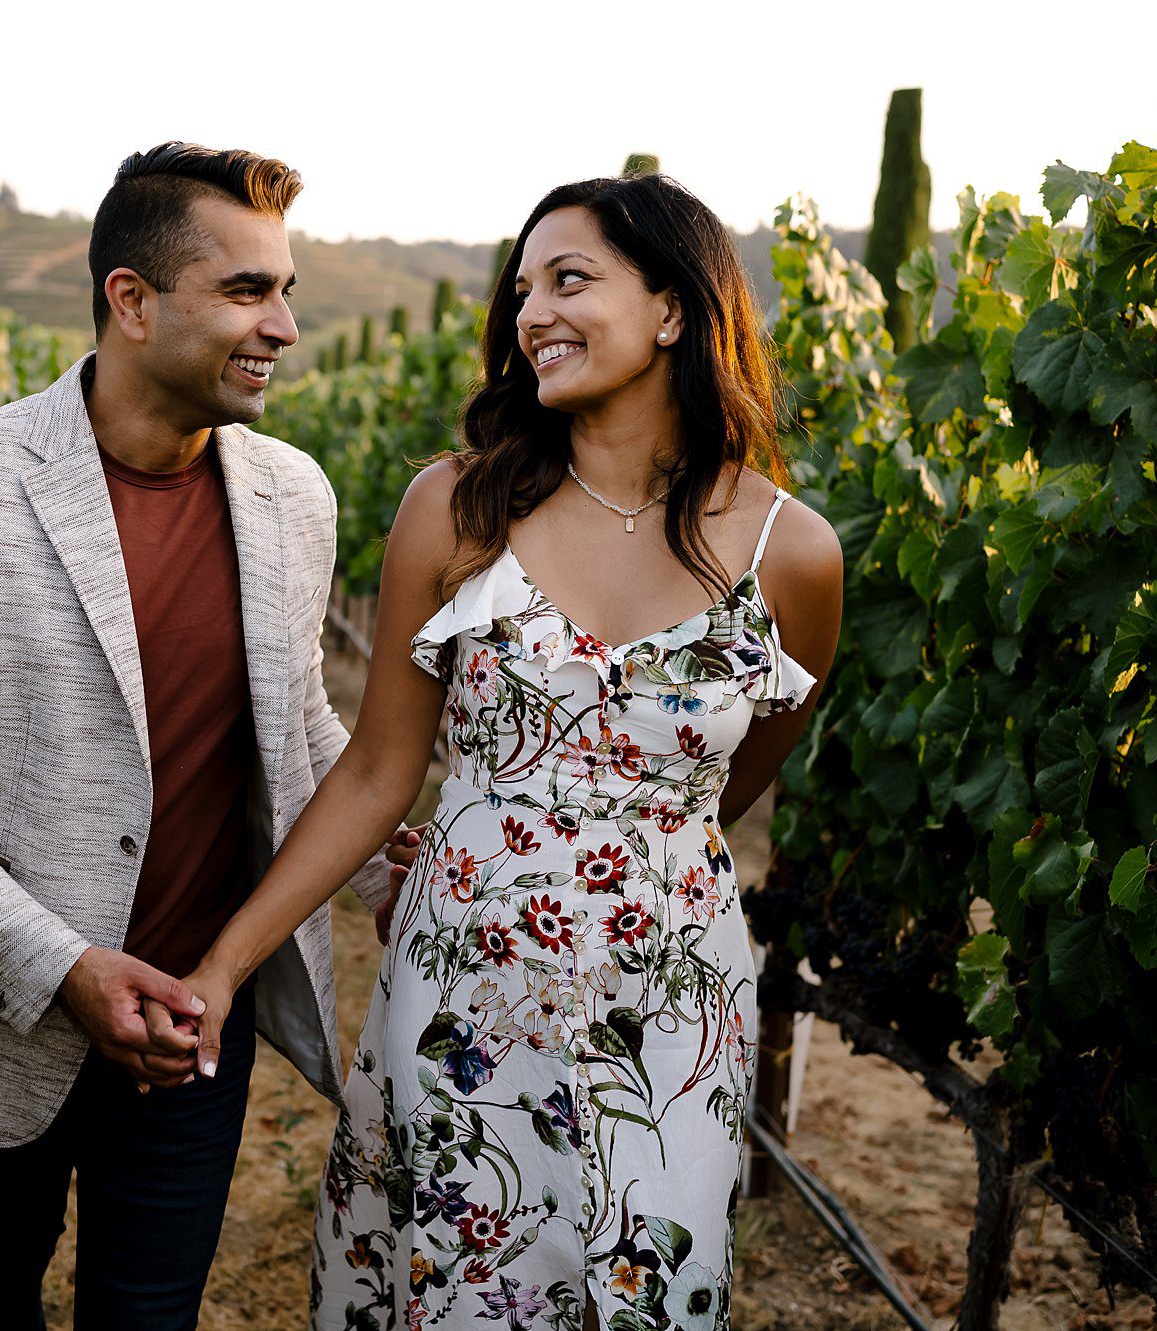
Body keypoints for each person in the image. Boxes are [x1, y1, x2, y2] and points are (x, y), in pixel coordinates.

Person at [154, 173, 844, 1330]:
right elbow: (377, 774)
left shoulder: (795, 552)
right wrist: (222, 966)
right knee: (459, 1281)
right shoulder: (456, 508)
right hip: (464, 988)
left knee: (646, 1290)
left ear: (673, 308)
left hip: (670, 999)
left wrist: (622, 857)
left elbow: (727, 783)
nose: (531, 313)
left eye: (568, 279)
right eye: (520, 289)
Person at [0, 142, 396, 1330]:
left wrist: (393, 855)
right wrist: (59, 966)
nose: (281, 325)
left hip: (191, 1011)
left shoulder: (295, 494)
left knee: (149, 1312)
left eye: (286, 292)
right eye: (245, 291)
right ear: (130, 299)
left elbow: (293, 723)